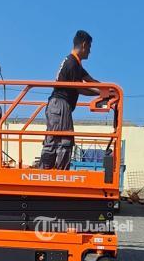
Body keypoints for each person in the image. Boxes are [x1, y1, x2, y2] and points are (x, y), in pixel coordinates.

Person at [39, 30, 104, 170]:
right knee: (63, 141)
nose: (90, 51)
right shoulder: (72, 63)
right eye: (90, 47)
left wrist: (106, 89)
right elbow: (81, 88)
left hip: (58, 105)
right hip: (60, 104)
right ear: (84, 45)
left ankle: (49, 172)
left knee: (57, 140)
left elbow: (90, 81)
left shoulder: (75, 63)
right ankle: (54, 174)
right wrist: (103, 93)